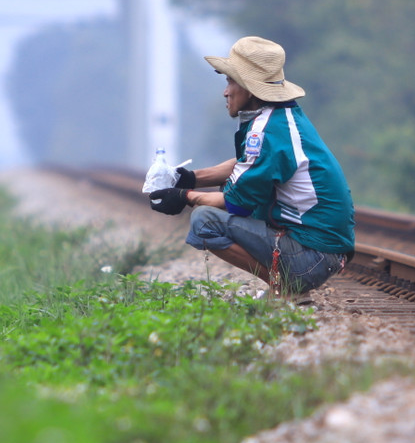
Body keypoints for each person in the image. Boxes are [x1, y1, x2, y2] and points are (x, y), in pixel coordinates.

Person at [148, 35, 355, 295]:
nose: (225, 91)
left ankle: (283, 288)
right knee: (222, 209)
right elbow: (249, 163)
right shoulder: (282, 117)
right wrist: (189, 177)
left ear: (249, 88)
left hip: (312, 257)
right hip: (324, 252)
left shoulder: (266, 129)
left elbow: (236, 202)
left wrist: (183, 196)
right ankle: (285, 285)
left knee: (204, 221)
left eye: (230, 80)